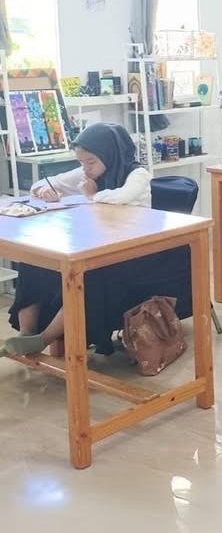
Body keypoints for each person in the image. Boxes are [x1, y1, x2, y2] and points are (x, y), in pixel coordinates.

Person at [1, 122, 153, 358]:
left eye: (90, 162)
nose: (85, 169)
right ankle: (26, 334)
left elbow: (121, 197)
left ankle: (43, 339)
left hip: (130, 255)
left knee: (86, 276)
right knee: (34, 263)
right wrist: (44, 191)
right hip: (94, 247)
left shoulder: (138, 174)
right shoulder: (88, 172)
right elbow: (45, 183)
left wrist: (92, 195)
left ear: (109, 154)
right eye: (81, 162)